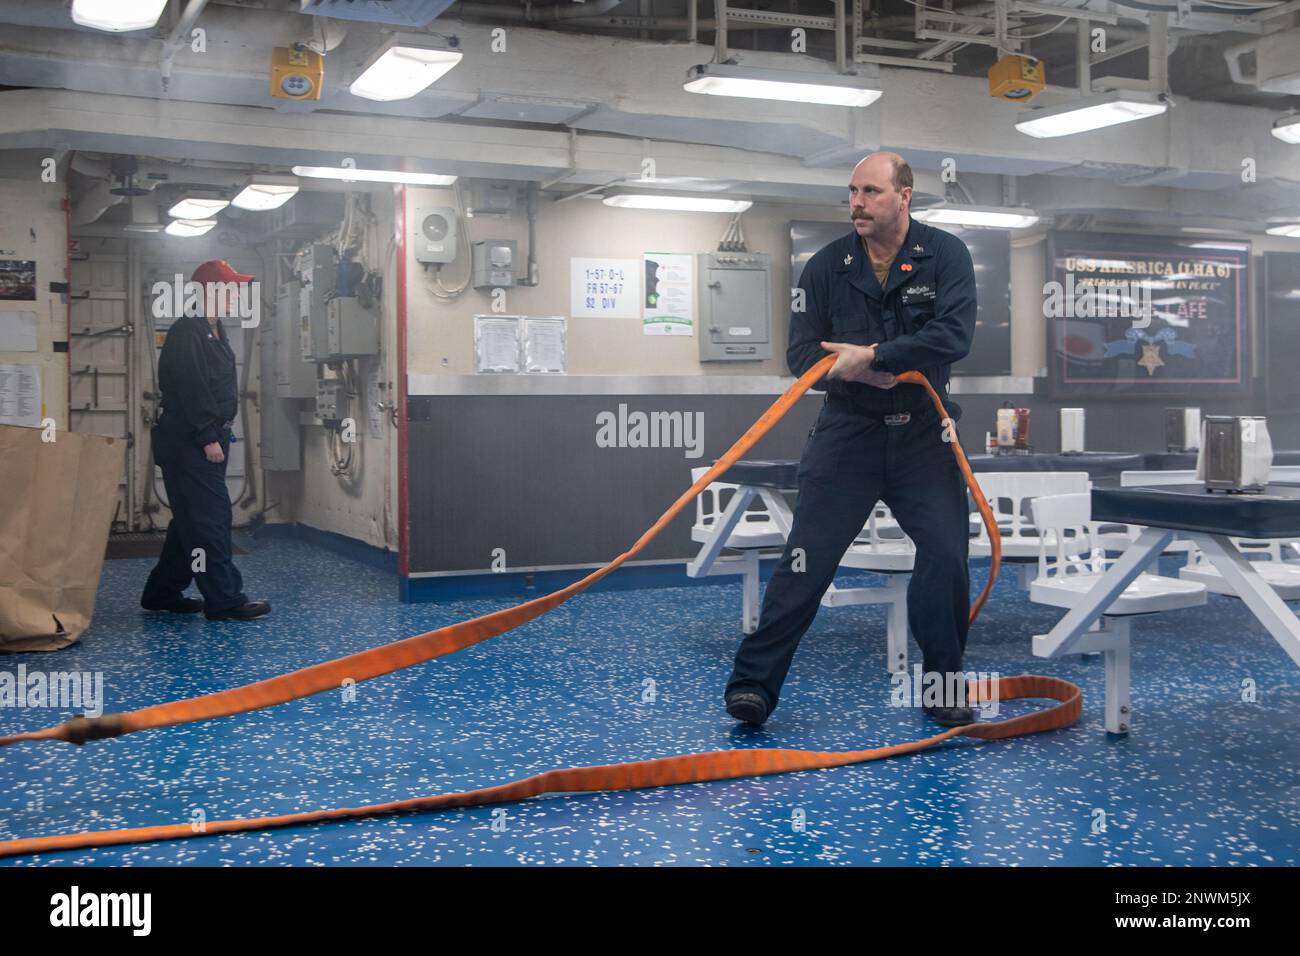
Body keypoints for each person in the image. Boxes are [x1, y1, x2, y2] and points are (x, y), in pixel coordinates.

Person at [724, 151, 977, 726]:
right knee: (805, 561)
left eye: (871, 191)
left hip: (923, 435)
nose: (857, 203)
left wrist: (879, 354)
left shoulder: (945, 256)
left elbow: (954, 334)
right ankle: (753, 686)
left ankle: (943, 690)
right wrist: (862, 368)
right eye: (853, 192)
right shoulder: (826, 266)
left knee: (945, 557)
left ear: (904, 196)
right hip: (849, 433)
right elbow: (799, 354)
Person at [140, 259, 271, 622]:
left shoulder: (213, 330)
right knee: (210, 520)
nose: (234, 295)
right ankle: (225, 599)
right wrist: (206, 436)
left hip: (202, 438)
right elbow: (192, 387)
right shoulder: (188, 332)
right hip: (191, 441)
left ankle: (162, 591)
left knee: (189, 521)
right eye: (228, 288)